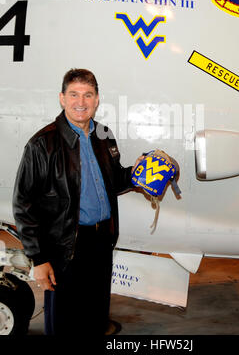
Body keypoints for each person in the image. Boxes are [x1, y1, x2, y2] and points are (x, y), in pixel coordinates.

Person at [13, 68, 143, 335]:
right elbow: (23, 204)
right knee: (65, 326)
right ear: (62, 98)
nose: (80, 102)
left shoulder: (104, 135)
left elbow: (113, 181)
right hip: (64, 248)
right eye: (74, 94)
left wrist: (140, 175)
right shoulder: (42, 144)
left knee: (95, 320)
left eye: (87, 95)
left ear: (97, 100)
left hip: (101, 242)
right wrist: (38, 259)